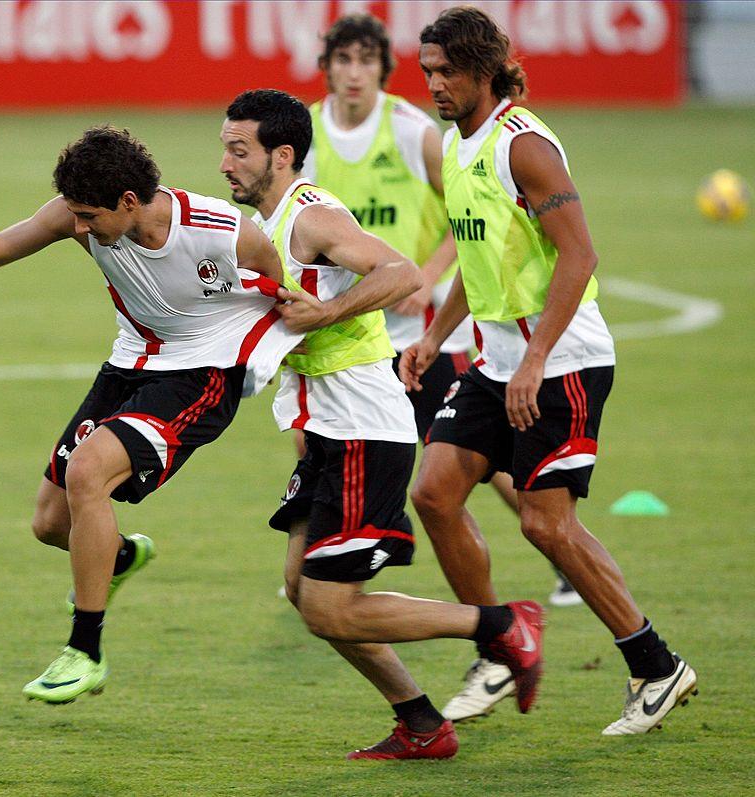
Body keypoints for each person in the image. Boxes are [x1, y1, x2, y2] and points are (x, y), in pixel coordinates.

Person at [0, 126, 304, 705]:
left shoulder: (220, 231)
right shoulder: (75, 214)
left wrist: (270, 356)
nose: (77, 228)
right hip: (130, 365)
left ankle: (85, 651)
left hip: (202, 374)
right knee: (51, 524)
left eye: (88, 217)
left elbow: (278, 288)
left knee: (87, 472)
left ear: (128, 201)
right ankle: (119, 555)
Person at [221, 88, 546, 761]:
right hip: (327, 428)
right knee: (303, 591)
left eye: (238, 150)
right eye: (224, 148)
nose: (225, 163)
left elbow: (401, 273)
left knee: (331, 607)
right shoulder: (264, 222)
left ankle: (501, 624)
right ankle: (422, 722)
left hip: (363, 427)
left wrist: (325, 314)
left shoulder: (312, 215)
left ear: (281, 156)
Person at [402, 6, 696, 735]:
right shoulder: (456, 144)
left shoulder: (523, 145)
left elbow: (580, 254)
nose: (434, 84)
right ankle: (499, 648)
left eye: (447, 71)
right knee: (434, 493)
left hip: (563, 362)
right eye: (428, 71)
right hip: (499, 363)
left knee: (546, 524)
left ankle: (656, 665)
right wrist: (435, 336)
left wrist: (534, 361)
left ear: (483, 71)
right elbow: (481, 260)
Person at [304, 12, 582, 625]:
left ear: (383, 69)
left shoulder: (415, 132)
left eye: (367, 60)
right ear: (326, 68)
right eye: (343, 60)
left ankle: (555, 548)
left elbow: (467, 220)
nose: (354, 73)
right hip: (352, 328)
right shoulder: (309, 135)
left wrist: (425, 277)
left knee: (464, 455)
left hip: (417, 328)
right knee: (318, 437)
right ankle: (319, 559)